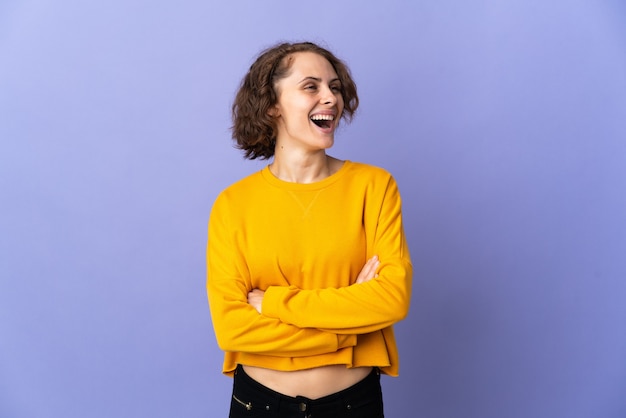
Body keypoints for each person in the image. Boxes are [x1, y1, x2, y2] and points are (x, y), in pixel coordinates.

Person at [206, 41, 412, 418]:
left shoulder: (374, 187)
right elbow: (233, 328)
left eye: (334, 87)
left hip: (353, 404)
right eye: (311, 86)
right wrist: (351, 330)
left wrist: (273, 304)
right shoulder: (233, 205)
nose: (330, 98)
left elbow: (392, 299)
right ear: (273, 105)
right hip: (260, 404)